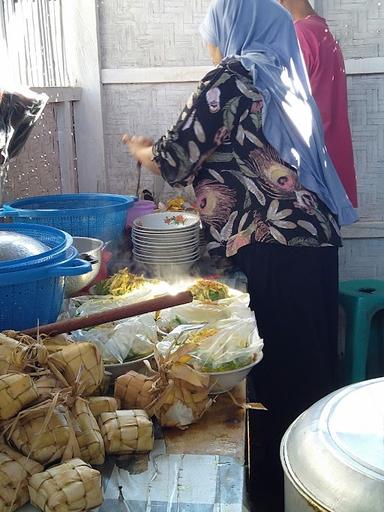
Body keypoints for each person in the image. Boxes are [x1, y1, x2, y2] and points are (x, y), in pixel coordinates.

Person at [123, 0, 358, 509]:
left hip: (276, 245)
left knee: (275, 376)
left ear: (233, 27)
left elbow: (175, 157)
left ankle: (276, 494)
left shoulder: (232, 75)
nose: (209, 45)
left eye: (212, 33)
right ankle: (316, 489)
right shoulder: (279, 75)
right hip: (311, 241)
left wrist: (142, 151)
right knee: (309, 368)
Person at [279, 0, 358, 207]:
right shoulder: (322, 30)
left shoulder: (300, 35)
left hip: (311, 165)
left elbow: (285, 104)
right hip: (330, 157)